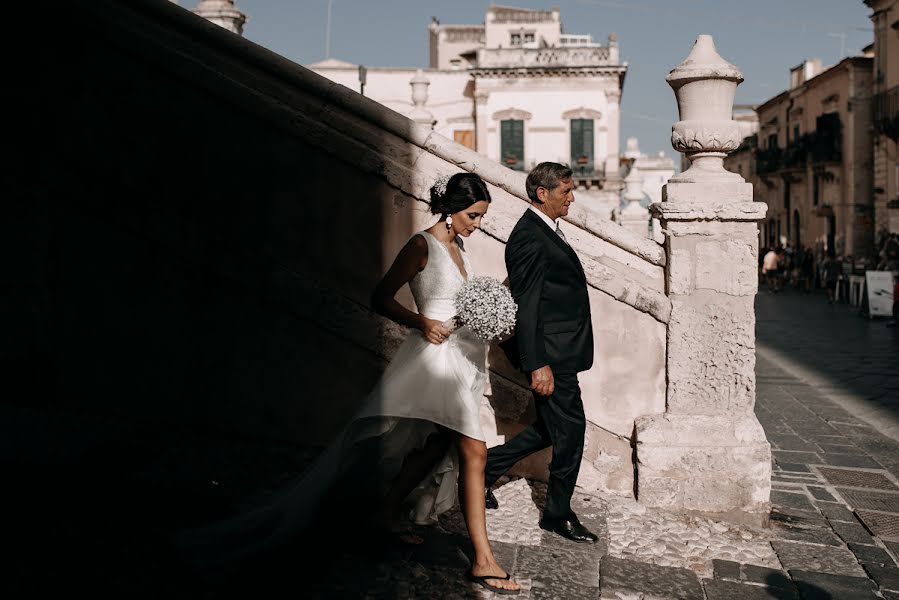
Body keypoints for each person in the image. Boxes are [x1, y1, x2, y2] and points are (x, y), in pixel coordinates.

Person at [174, 172, 520, 594]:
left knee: (436, 444)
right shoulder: (421, 245)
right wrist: (421, 322)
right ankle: (483, 560)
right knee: (474, 451)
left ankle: (387, 512)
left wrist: (482, 317)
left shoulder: (459, 246)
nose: (476, 225)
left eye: (481, 217)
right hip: (435, 362)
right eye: (473, 216)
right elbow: (380, 296)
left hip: (461, 359)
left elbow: (455, 304)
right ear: (450, 209)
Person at [487, 162, 599, 544]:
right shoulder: (530, 236)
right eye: (566, 191)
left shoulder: (545, 228)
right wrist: (538, 364)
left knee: (553, 428)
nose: (572, 197)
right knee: (570, 431)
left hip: (562, 349)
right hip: (551, 355)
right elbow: (528, 304)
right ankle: (557, 513)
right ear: (542, 194)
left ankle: (483, 470)